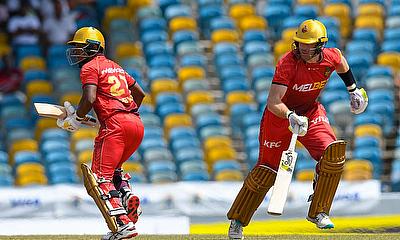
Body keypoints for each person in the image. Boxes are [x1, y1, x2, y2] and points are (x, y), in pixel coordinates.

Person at [227, 19, 369, 239]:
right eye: (300, 42)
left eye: (309, 43)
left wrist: (353, 90)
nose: (303, 47)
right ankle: (237, 221)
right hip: (280, 117)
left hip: (310, 111)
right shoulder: (288, 62)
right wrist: (290, 116)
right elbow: (273, 101)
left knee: (332, 154)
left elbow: (341, 62)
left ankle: (319, 211)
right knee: (267, 171)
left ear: (320, 44)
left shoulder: (330, 56)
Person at [57, 27, 145, 240]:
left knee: (98, 177)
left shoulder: (89, 66)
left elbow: (90, 98)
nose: (76, 52)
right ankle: (126, 195)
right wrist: (115, 114)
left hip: (115, 125)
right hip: (136, 123)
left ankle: (123, 226)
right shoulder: (115, 67)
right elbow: (140, 94)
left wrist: (76, 119)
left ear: (93, 47)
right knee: (114, 171)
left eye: (79, 47)